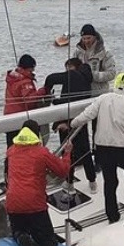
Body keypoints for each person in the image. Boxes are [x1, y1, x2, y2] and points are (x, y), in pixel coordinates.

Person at [62, 72, 124, 224]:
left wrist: (71, 124)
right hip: (123, 149)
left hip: (103, 149)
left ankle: (112, 216)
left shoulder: (103, 98)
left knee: (110, 181)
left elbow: (87, 115)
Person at [5, 120, 72, 246]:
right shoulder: (41, 152)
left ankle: (21, 237)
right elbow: (62, 171)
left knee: (21, 232)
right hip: (34, 204)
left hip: (13, 203)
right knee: (50, 245)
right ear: (37, 136)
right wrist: (67, 153)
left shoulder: (11, 151)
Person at [43, 57, 97, 191]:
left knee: (68, 153)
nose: (66, 72)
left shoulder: (73, 76)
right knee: (85, 151)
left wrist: (47, 93)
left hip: (67, 121)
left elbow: (51, 78)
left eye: (68, 68)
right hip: (81, 119)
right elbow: (76, 99)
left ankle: (69, 182)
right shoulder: (86, 78)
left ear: (73, 67)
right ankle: (92, 182)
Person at [73, 24, 118, 96]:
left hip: (100, 94)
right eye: (84, 38)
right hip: (81, 93)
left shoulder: (105, 52)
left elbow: (112, 74)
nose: (86, 41)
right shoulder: (77, 52)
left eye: (89, 38)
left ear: (94, 37)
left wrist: (94, 75)